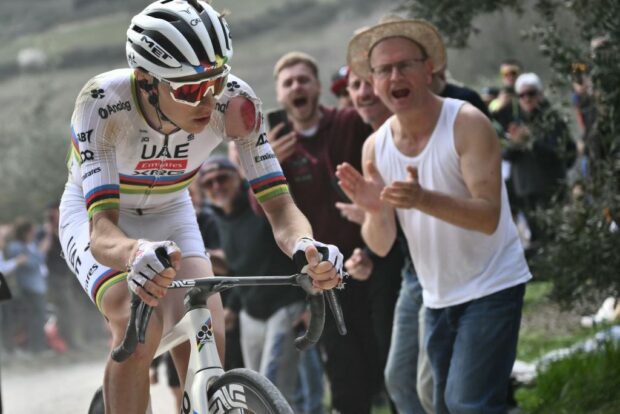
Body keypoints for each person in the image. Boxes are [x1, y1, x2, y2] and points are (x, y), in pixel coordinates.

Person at [58, 1, 344, 412]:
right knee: (136, 326)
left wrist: (307, 247)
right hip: (104, 216)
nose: (207, 101)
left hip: (171, 207)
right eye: (189, 90)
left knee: (206, 326)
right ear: (146, 81)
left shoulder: (238, 104)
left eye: (216, 81)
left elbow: (280, 207)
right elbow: (102, 232)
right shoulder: (103, 102)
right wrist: (136, 252)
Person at [339, 17, 532, 414]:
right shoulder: (375, 147)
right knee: (440, 403)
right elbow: (381, 243)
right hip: (436, 293)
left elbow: (488, 217)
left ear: (429, 70)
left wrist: (422, 198)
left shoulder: (466, 123)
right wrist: (375, 211)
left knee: (467, 403)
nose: (395, 75)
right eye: (383, 69)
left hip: (493, 283)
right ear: (373, 82)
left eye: (405, 64)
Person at [270, 51, 379, 413]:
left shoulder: (349, 122)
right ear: (280, 95)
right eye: (288, 83)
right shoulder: (272, 151)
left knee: (388, 364)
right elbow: (265, 214)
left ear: (317, 86)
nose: (297, 87)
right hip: (325, 275)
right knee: (345, 377)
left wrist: (371, 243)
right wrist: (271, 166)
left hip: (374, 259)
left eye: (303, 79)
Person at [343, 68, 429, 414]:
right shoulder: (369, 144)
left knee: (435, 384)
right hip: (407, 272)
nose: (364, 92)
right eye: (355, 85)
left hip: (442, 272)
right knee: (401, 380)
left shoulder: (436, 124)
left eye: (369, 81)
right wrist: (370, 227)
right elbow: (381, 233)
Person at [198, 155, 307, 408]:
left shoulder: (260, 206)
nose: (216, 186)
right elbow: (239, 268)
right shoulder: (218, 219)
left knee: (273, 389)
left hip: (284, 305)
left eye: (222, 178)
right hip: (250, 313)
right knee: (252, 393)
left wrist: (310, 303)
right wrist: (233, 308)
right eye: (209, 183)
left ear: (238, 177)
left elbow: (295, 248)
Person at [503, 73, 575, 247]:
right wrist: (516, 143)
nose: (527, 99)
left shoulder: (553, 120)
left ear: (540, 94)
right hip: (524, 191)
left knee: (553, 237)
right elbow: (505, 155)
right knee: (535, 240)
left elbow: (564, 153)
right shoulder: (515, 120)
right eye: (522, 95)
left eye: (531, 94)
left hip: (549, 189)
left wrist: (531, 142)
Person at [6, 218, 52, 354]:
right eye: (31, 231)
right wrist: (40, 252)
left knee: (40, 318)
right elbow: (32, 264)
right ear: (25, 232)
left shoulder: (31, 245)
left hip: (38, 287)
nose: (34, 233)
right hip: (28, 288)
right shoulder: (16, 247)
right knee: (33, 319)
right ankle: (34, 348)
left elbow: (37, 259)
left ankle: (39, 347)